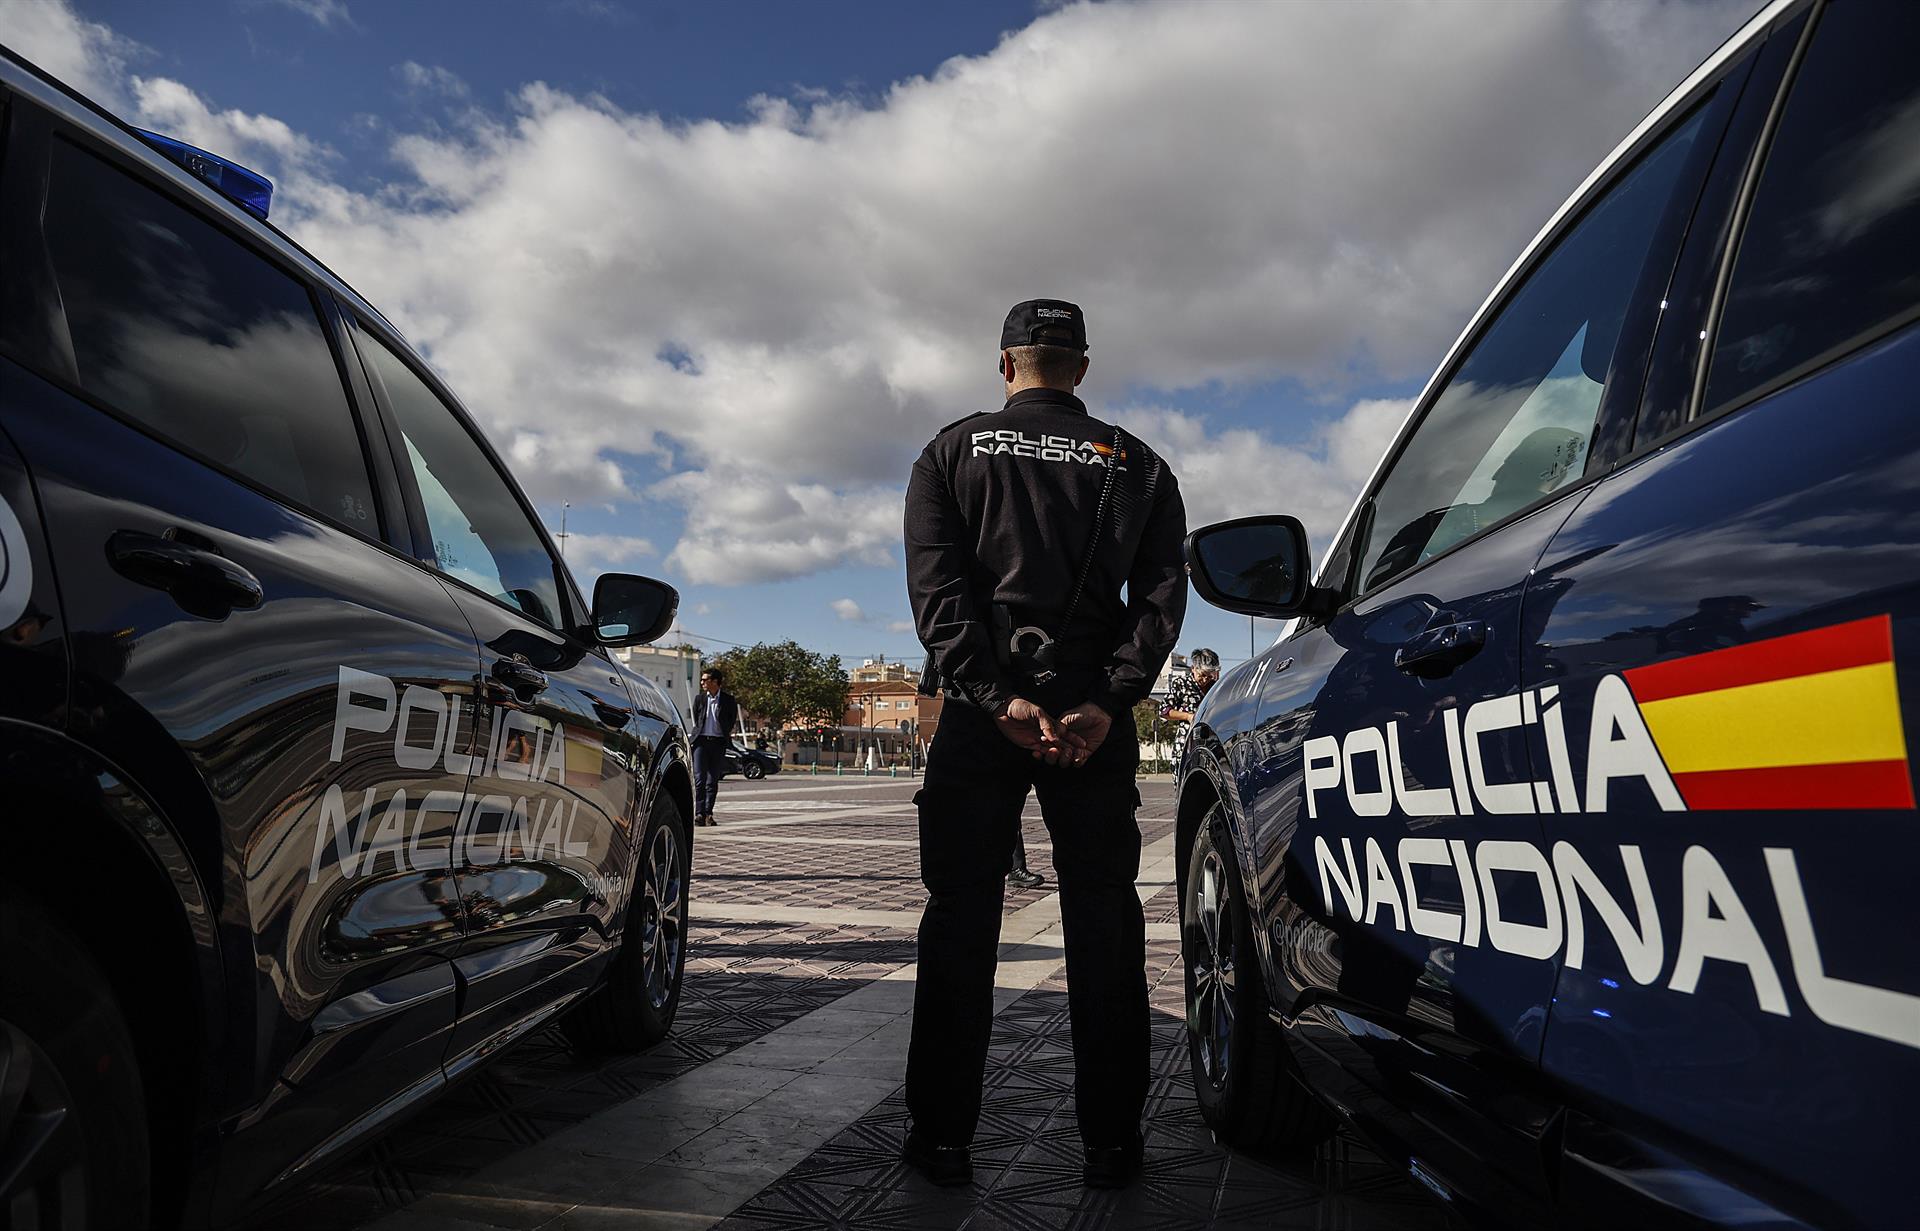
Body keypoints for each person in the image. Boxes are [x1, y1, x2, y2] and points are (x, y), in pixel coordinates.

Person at [902, 298, 1186, 1190]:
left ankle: (944, 1139)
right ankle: (1113, 1142)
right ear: (1083, 368)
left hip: (984, 722)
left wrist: (992, 698)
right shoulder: (1136, 461)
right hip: (1090, 726)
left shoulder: (952, 450)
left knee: (960, 916)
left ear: (1004, 364)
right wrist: (1109, 699)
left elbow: (937, 593)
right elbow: (1161, 597)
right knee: (1103, 917)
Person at [690, 668, 738, 827]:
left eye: (705, 680)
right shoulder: (700, 699)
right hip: (701, 742)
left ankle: (709, 814)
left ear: (715, 682)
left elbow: (730, 721)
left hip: (718, 743)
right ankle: (699, 813)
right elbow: (697, 719)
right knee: (699, 779)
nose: (702, 682)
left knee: (712, 780)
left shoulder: (728, 700)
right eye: (702, 680)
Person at [1158, 647, 1219, 764]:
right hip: (1186, 743)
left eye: (1209, 675)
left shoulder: (1215, 687)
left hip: (1210, 743)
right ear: (1193, 669)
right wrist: (1188, 716)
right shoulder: (1181, 684)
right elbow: (1164, 710)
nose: (1205, 679)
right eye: (1202, 675)